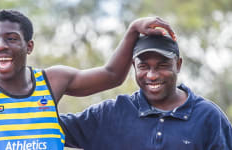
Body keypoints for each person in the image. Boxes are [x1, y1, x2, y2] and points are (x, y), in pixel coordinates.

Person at [0, 9, 175, 150]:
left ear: (28, 46)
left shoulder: (53, 81)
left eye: (11, 39)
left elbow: (111, 75)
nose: (0, 45)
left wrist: (133, 30)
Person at [59, 35, 232, 150]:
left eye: (162, 65)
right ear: (134, 66)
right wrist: (34, 83)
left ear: (178, 65)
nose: (152, 75)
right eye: (143, 66)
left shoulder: (209, 117)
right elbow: (48, 126)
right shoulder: (110, 113)